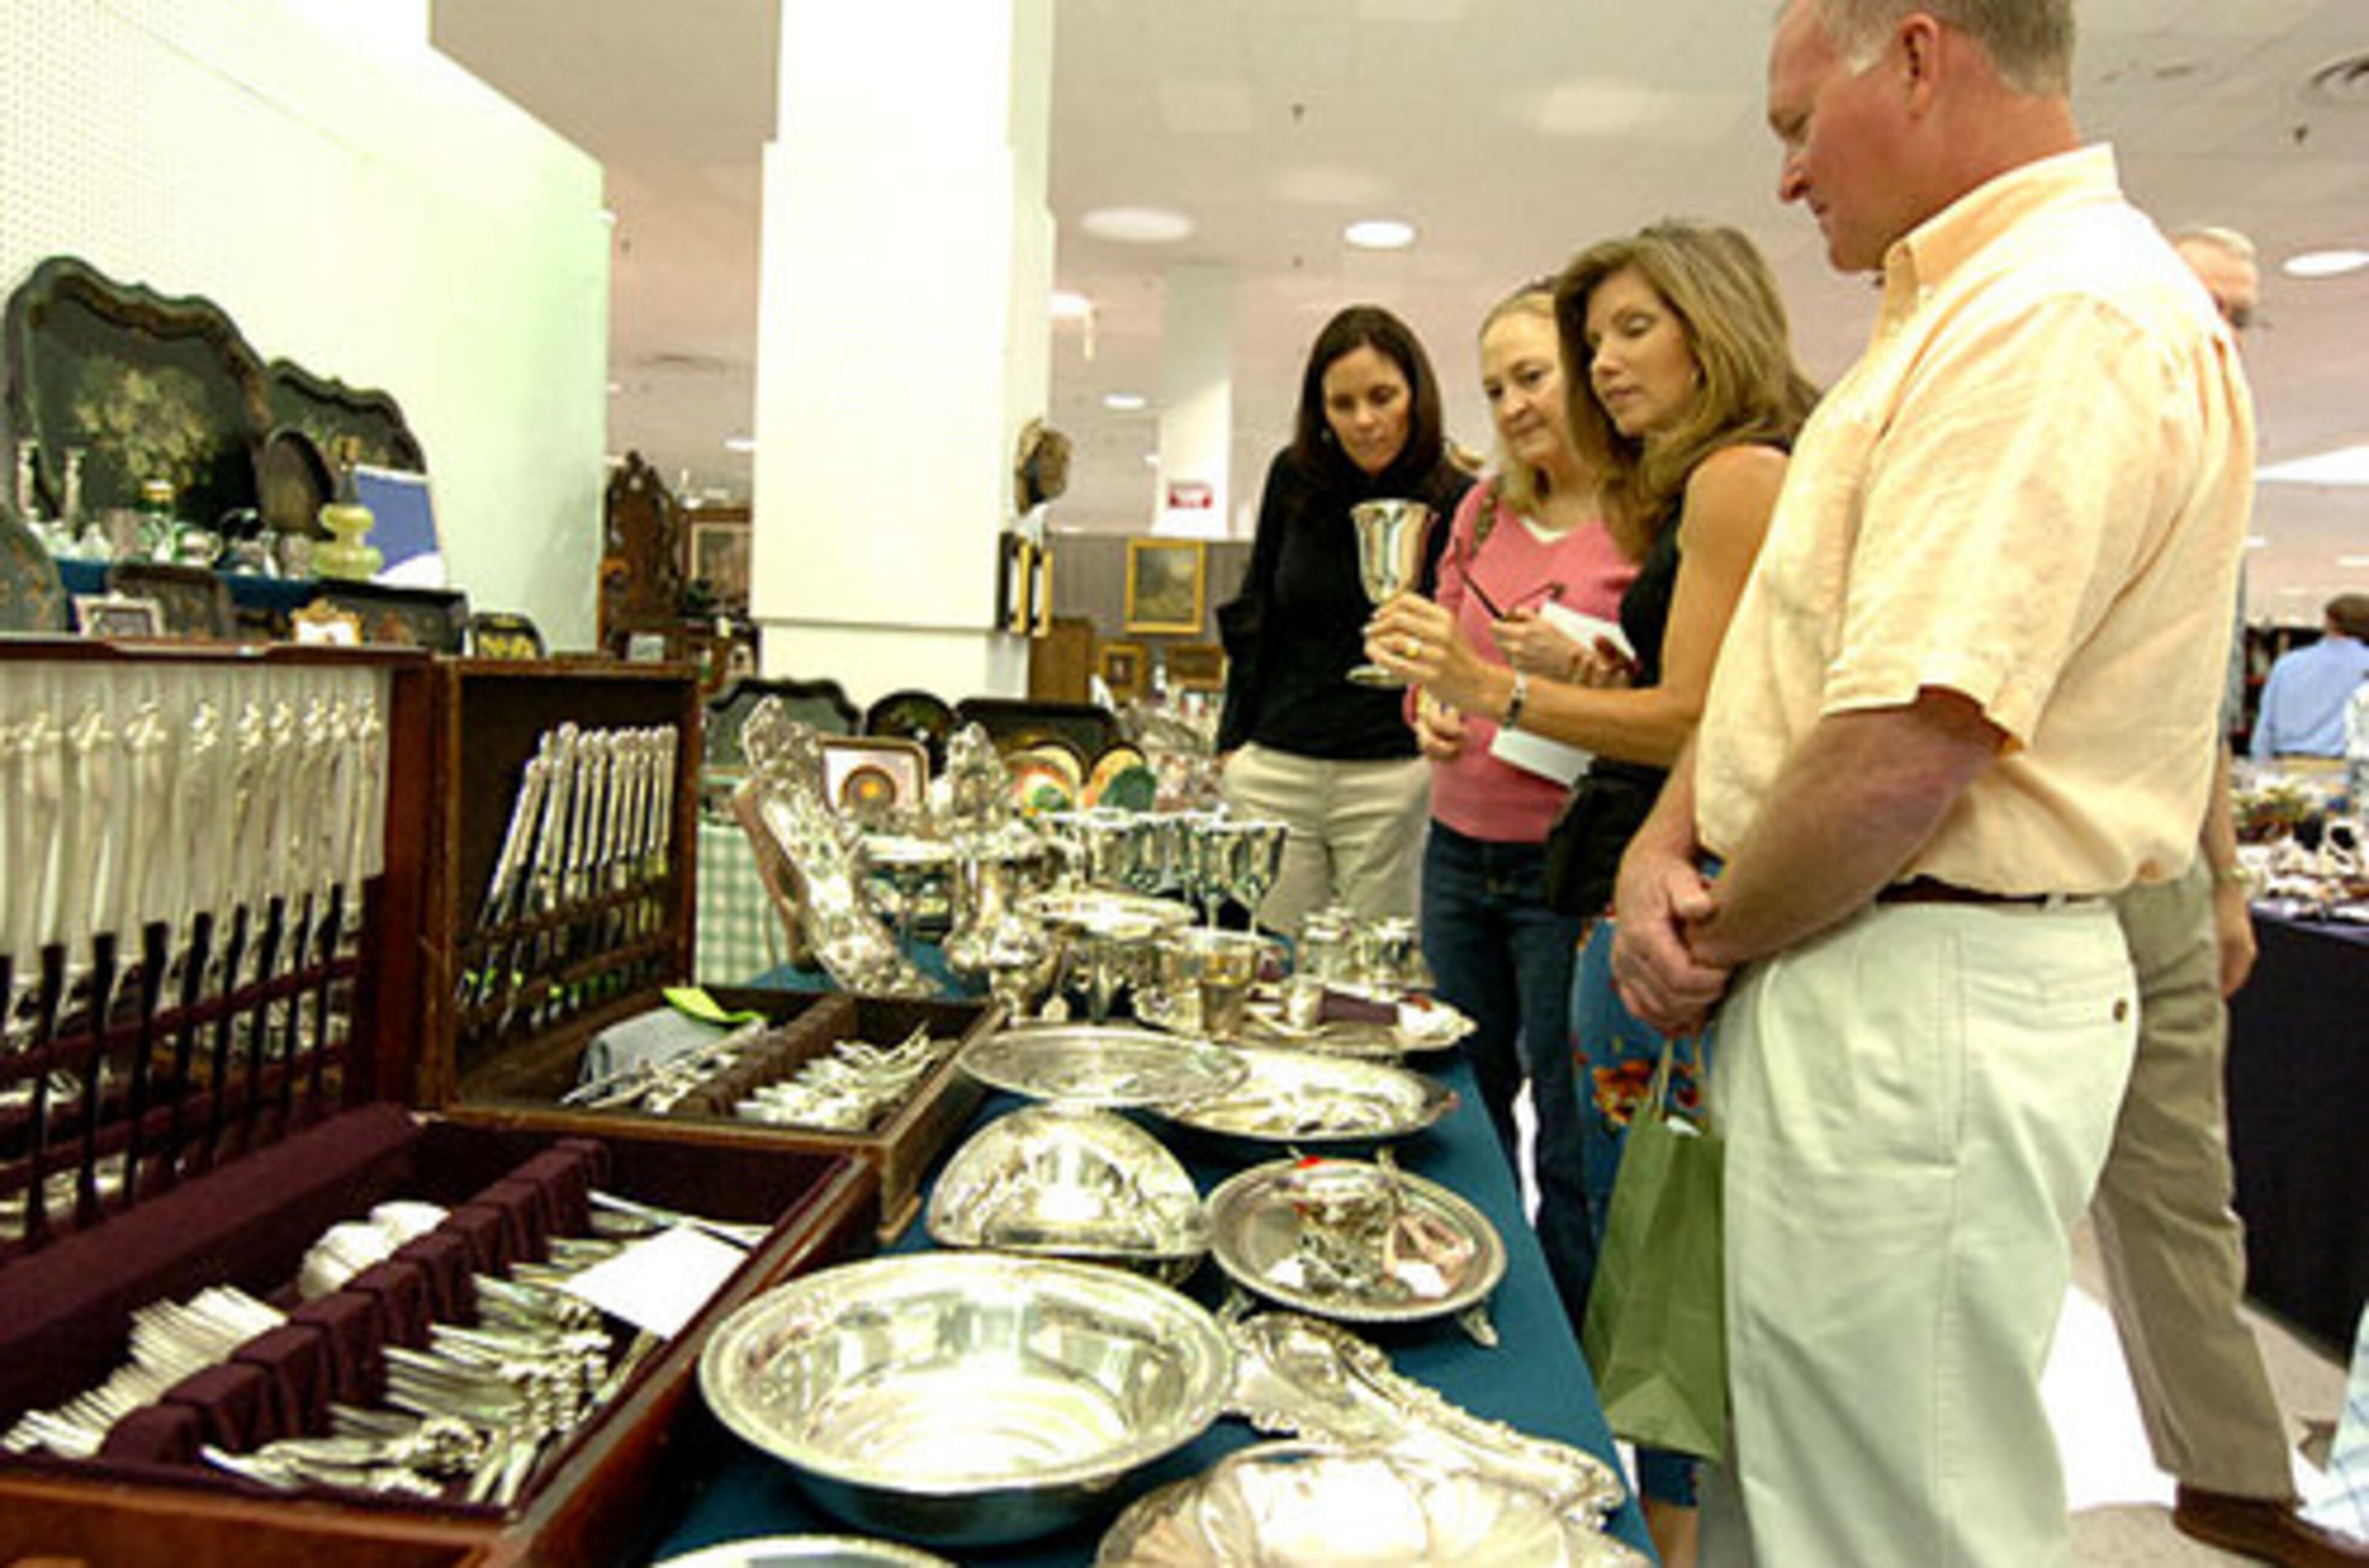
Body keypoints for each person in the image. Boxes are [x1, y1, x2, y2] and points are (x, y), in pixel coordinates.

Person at [1611, 2, 2253, 1562]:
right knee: (1799, 1472)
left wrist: (1708, 934)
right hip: (1852, 955)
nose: (1782, 179)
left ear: (1912, 55)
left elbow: (1904, 746)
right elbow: (1803, 665)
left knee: (1889, 1517)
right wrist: (1661, 841)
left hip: (1920, 973)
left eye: (1788, 126)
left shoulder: (2058, 317)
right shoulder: (1958, 312)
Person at [1368, 223, 1814, 1567]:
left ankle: (1618, 1501)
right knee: (1595, 1187)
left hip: (1630, 891)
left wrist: (1503, 686)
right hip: (1585, 867)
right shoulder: (1639, 493)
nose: (1595, 368)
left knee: (1624, 1207)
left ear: (1711, 326)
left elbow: (1707, 715)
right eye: (1591, 339)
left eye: (1629, 332)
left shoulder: (1731, 479)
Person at [2096, 227, 2369, 1567]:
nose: (2225, 338)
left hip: (2156, 875)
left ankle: (2236, 1473)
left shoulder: (2218, 470)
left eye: (2244, 318)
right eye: (2206, 307)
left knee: (2185, 1183)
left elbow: (2199, 718)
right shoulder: (2078, 437)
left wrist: (2220, 883)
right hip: (2033, 882)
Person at [1378, 283, 1637, 1392]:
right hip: (1457, 844)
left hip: (1568, 868)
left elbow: (1674, 690)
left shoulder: (1647, 513)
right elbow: (1438, 652)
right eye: (1495, 386)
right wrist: (1425, 708)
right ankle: (1462, 1343)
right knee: (1460, 1110)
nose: (1515, 403)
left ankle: (1564, 1380)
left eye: (1532, 376)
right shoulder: (1479, 512)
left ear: (1582, 372)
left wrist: (1590, 665)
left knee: (1572, 1136)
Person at [1215, 304, 1474, 933]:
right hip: (1279, 763)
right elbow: (1258, 612)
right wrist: (1231, 741)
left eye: (1383, 396)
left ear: (1417, 393)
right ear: (1320, 410)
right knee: (1277, 971)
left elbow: (1465, 644)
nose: (1365, 420)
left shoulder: (1458, 496)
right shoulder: (1292, 477)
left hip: (1393, 773)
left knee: (1378, 984)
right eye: (1343, 403)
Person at [2252, 593, 2369, 761]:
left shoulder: (2287, 665)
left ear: (2329, 623)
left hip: (2290, 768)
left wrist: (2261, 767)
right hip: (2350, 770)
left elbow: (2265, 728)